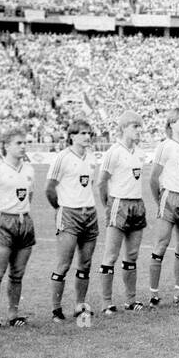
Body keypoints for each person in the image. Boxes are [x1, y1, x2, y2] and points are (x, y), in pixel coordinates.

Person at [0, 127, 35, 328]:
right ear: (6, 146)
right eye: (18, 143)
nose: (23, 146)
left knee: (17, 273)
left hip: (24, 222)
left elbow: (30, 196)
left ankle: (13, 314)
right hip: (2, 222)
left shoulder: (29, 169)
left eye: (25, 143)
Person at [46, 119, 100, 322]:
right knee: (64, 263)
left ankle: (80, 305)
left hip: (90, 214)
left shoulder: (92, 157)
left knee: (85, 263)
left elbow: (89, 186)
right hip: (69, 214)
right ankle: (56, 309)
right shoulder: (63, 157)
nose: (87, 137)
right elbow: (49, 188)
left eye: (89, 133)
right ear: (72, 136)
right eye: (83, 133)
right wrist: (61, 208)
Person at [96, 110, 148, 314]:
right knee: (110, 256)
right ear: (124, 128)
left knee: (132, 255)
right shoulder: (113, 152)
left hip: (137, 204)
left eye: (140, 127)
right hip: (118, 204)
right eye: (135, 127)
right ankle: (106, 302)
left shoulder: (140, 152)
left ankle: (130, 300)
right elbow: (101, 183)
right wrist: (108, 206)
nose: (139, 131)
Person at [147, 107, 179, 304]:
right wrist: (159, 199)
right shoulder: (165, 146)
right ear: (171, 124)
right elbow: (153, 178)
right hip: (169, 198)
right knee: (161, 244)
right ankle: (153, 294)